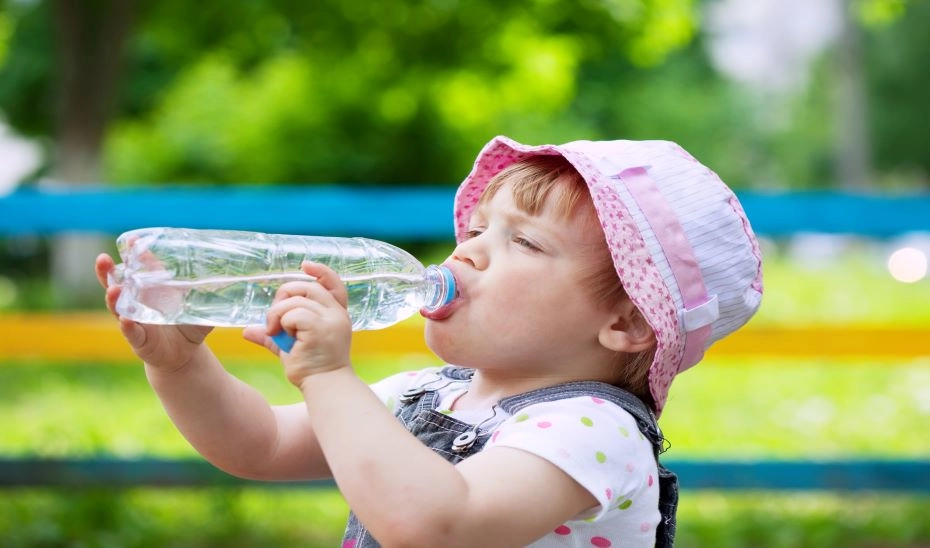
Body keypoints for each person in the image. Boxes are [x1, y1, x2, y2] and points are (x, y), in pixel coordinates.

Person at [95, 135, 763, 547]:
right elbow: (261, 445)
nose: (467, 253)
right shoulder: (428, 393)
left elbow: (437, 526)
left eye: (522, 241)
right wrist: (181, 365)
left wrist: (331, 378)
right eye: (473, 229)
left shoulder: (594, 430)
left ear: (625, 323)